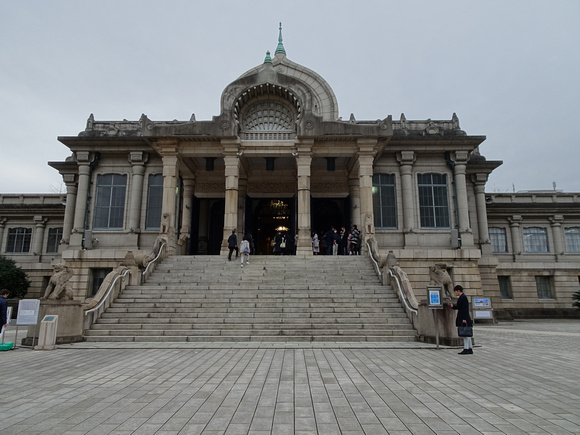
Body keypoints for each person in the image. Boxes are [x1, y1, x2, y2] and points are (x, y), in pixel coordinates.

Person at [450, 284, 473, 354]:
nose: (455, 293)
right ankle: (469, 348)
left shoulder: (463, 297)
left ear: (458, 291)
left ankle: (466, 348)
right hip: (464, 316)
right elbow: (459, 307)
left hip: (464, 317)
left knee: (465, 334)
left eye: (456, 291)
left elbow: (465, 309)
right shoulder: (462, 297)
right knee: (467, 334)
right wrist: (453, 306)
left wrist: (464, 318)